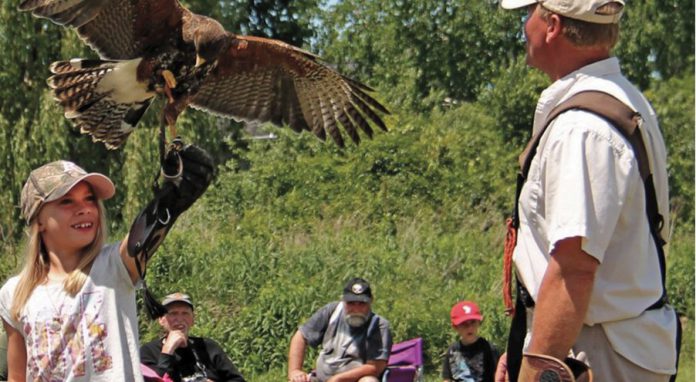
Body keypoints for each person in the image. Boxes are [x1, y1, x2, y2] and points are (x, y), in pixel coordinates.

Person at [495, 1, 680, 381]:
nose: (523, 25)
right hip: (600, 343)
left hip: (595, 352)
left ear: (553, 25)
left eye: (527, 12)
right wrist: (523, 349)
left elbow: (573, 270)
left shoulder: (581, 128)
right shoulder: (622, 99)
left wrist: (534, 368)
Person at [0, 145, 213, 381]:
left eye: (90, 199)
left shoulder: (113, 266)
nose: (84, 209)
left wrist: (171, 199)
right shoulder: (14, 293)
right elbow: (16, 376)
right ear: (38, 219)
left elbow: (141, 239)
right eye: (67, 201)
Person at [287, 277, 392, 382]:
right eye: (351, 303)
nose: (356, 309)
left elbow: (375, 367)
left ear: (371, 302)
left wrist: (338, 379)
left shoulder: (379, 325)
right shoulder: (332, 311)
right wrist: (295, 370)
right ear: (343, 300)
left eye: (362, 303)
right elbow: (301, 336)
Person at [140, 292, 245, 382]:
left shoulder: (208, 346)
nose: (180, 319)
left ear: (192, 319)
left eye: (185, 313)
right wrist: (167, 351)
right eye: (173, 313)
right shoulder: (148, 352)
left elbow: (237, 379)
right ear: (161, 320)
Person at [442, 301, 499, 382]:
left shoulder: (489, 349)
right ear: (455, 327)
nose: (469, 327)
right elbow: (447, 378)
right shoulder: (452, 351)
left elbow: (498, 377)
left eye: (473, 322)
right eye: (464, 324)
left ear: (479, 323)